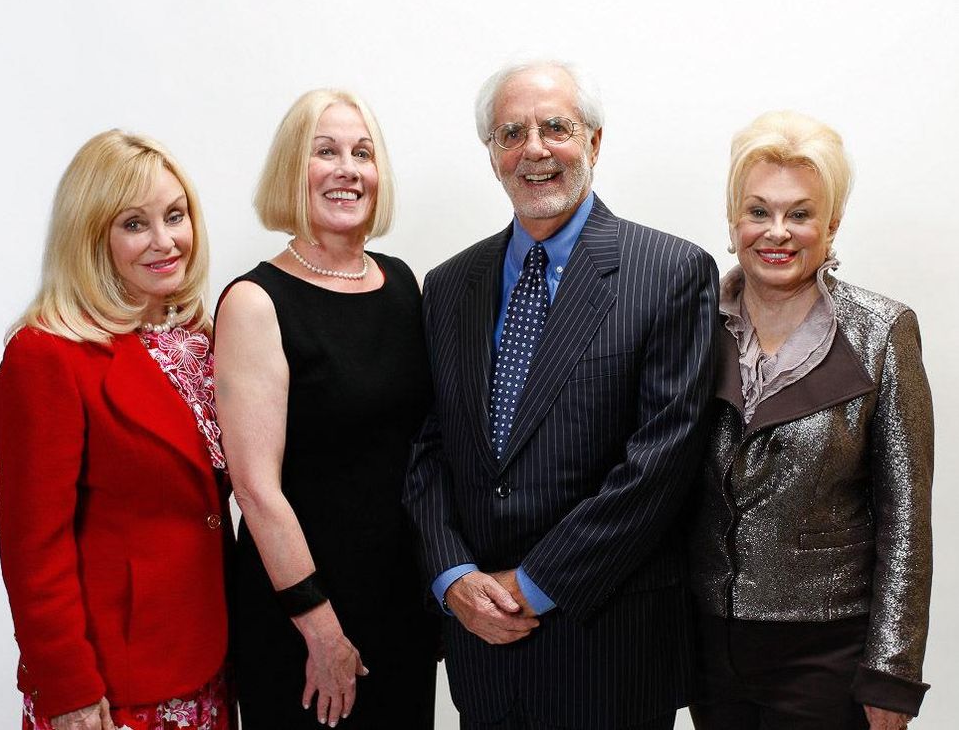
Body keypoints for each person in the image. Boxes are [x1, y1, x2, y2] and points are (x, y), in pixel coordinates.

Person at [403, 59, 719, 730]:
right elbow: (428, 448)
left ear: (594, 142)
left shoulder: (670, 272)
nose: (534, 149)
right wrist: (451, 574)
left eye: (556, 127)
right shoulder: (448, 285)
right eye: (510, 133)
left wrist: (535, 583)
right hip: (482, 651)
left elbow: (659, 465)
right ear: (491, 156)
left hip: (608, 648)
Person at [688, 111, 933, 730]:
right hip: (705, 649)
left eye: (800, 214)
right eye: (758, 211)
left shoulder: (882, 331)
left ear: (832, 225)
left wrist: (892, 676)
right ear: (733, 220)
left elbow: (905, 517)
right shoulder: (689, 324)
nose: (777, 232)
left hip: (828, 655)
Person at [0, 130, 232, 730]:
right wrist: (66, 686)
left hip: (208, 657)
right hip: (113, 684)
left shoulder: (201, 339)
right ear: (90, 235)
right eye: (134, 224)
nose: (165, 241)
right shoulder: (44, 354)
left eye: (175, 216)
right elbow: (33, 549)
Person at [214, 89, 437, 729]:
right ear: (293, 169)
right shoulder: (257, 302)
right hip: (304, 610)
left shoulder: (402, 284)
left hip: (398, 602)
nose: (347, 168)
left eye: (361, 153)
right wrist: (320, 628)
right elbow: (256, 491)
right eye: (325, 152)